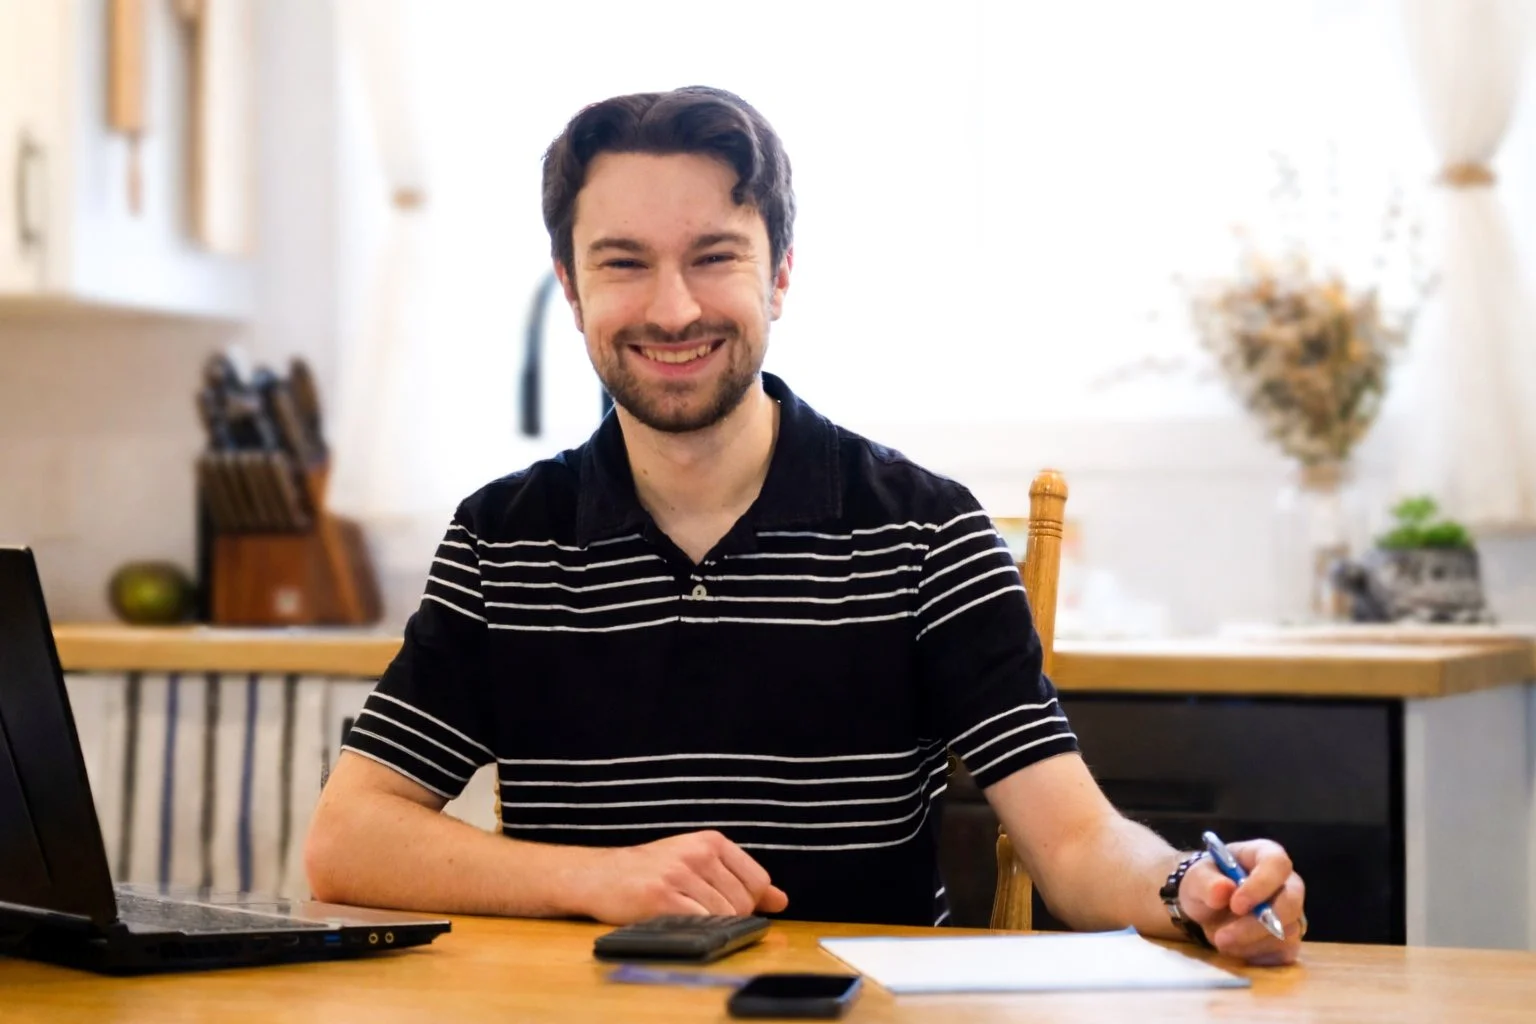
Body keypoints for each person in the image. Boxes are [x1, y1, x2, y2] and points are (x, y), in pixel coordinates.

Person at [305, 85, 1305, 965]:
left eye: (714, 257)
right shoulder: (502, 539)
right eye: (623, 263)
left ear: (780, 275)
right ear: (571, 288)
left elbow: (1078, 845)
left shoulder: (927, 533)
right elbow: (348, 841)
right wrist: (594, 878)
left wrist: (1192, 888)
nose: (672, 308)